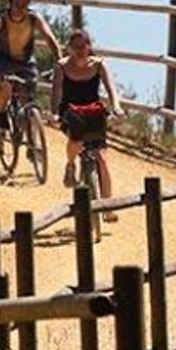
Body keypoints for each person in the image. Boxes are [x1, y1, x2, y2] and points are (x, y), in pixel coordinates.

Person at [51, 29, 125, 217]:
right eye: (75, 46)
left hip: (93, 112)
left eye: (83, 45)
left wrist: (116, 106)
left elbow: (111, 89)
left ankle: (108, 207)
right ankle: (70, 165)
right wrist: (54, 113)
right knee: (75, 142)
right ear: (69, 48)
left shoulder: (99, 65)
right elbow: (56, 92)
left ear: (89, 46)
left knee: (102, 157)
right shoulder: (61, 66)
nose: (80, 50)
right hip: (70, 112)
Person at [0, 0, 63, 144]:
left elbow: (49, 38)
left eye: (24, 5)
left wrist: (60, 61)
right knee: (5, 88)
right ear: (10, 3)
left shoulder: (34, 18)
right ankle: (1, 113)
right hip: (3, 60)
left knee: (28, 99)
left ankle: (32, 142)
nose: (20, 9)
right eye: (17, 5)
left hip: (25, 61)